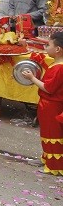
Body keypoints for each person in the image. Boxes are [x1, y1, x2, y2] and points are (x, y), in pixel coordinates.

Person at [21, 32, 63, 175]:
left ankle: (55, 165)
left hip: (52, 106)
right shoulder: (56, 64)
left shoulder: (59, 67)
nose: (46, 47)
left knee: (53, 134)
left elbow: (49, 88)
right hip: (47, 105)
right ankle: (47, 158)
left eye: (49, 44)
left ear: (58, 49)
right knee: (47, 132)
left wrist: (32, 78)